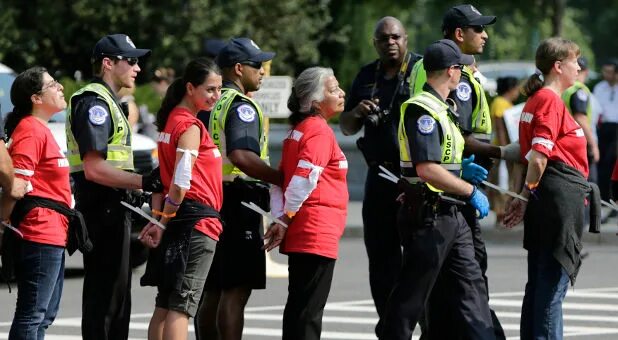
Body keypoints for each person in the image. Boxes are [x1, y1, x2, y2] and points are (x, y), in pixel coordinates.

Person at [380, 39, 494, 340]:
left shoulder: (445, 108)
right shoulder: (423, 110)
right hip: (428, 215)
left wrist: (460, 170)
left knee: (471, 289)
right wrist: (470, 191)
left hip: (451, 214)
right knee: (411, 298)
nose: (465, 72)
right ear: (451, 71)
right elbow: (427, 168)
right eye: (462, 67)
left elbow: (442, 160)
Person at [409, 5, 505, 338]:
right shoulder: (450, 73)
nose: (485, 35)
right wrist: (501, 152)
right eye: (479, 29)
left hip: (456, 184)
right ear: (459, 34)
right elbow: (458, 133)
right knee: (465, 278)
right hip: (451, 190)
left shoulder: (457, 69)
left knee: (451, 279)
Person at [66, 34, 162, 340]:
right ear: (108, 63)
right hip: (102, 210)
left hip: (114, 209)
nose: (137, 68)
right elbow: (94, 168)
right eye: (130, 61)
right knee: (105, 302)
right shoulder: (94, 102)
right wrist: (144, 180)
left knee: (117, 299)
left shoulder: (109, 101)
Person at [504, 37, 593, 339]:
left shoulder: (535, 100)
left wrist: (524, 197)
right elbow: (539, 158)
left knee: (539, 285)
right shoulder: (551, 101)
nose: (578, 67)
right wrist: (528, 191)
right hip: (558, 205)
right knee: (552, 290)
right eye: (574, 61)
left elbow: (528, 157)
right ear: (558, 66)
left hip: (545, 201)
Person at [338, 17, 421, 335]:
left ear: (406, 39)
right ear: (375, 43)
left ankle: (418, 321)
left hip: (413, 177)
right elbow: (346, 126)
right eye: (384, 38)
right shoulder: (365, 76)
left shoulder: (419, 70)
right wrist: (358, 112)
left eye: (396, 37)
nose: (390, 42)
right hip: (379, 176)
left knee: (418, 256)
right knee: (381, 257)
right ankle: (389, 325)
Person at [196, 37, 281, 340]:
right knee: (235, 290)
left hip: (211, 200)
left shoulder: (208, 103)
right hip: (239, 202)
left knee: (214, 287)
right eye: (257, 66)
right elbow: (242, 156)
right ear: (238, 68)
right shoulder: (241, 106)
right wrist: (281, 178)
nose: (262, 72)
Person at [138, 58, 223, 340]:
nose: (216, 96)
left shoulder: (171, 120)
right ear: (190, 87)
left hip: (179, 221)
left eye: (219, 89)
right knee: (181, 307)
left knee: (165, 304)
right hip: (196, 224)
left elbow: (163, 181)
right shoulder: (189, 126)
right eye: (210, 89)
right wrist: (164, 219)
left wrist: (161, 219)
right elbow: (180, 182)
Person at [265, 66, 348, 340]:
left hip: (304, 231)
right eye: (334, 89)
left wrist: (281, 218)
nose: (341, 93)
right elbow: (303, 179)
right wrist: (285, 218)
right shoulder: (319, 131)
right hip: (315, 232)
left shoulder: (297, 131)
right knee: (309, 313)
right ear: (315, 102)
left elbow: (280, 180)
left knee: (300, 308)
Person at [0, 67, 69, 340]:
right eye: (53, 84)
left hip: (54, 231)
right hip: (39, 232)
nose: (60, 87)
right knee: (32, 317)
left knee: (43, 316)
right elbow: (17, 186)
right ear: (36, 99)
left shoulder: (41, 129)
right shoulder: (30, 130)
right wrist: (3, 225)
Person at [563, 57, 599, 184]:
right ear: (587, 72)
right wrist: (593, 145)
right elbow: (581, 119)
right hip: (581, 142)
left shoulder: (566, 88)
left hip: (567, 141)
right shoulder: (579, 90)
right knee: (589, 183)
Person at [488, 76, 520, 220]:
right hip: (502, 149)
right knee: (503, 180)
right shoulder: (500, 103)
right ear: (511, 89)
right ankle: (502, 213)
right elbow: (501, 128)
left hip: (506, 148)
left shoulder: (504, 103)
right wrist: (504, 150)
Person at [593, 59, 618, 201]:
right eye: (605, 72)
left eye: (610, 72)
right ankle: (603, 197)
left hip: (616, 129)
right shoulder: (599, 88)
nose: (607, 75)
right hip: (603, 128)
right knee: (602, 163)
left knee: (612, 163)